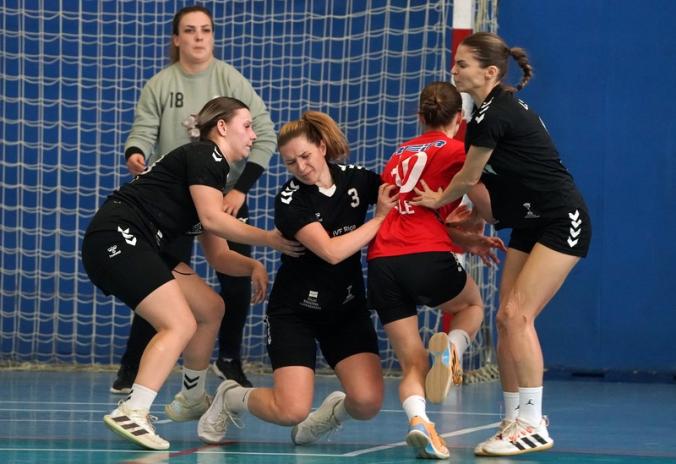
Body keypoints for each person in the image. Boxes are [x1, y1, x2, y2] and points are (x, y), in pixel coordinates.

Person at [82, 97, 303, 450]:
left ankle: (191, 397)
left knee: (210, 308)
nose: (253, 135)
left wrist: (252, 265)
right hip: (118, 235)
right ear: (221, 127)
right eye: (247, 126)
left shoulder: (211, 180)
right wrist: (269, 239)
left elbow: (219, 255)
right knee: (179, 323)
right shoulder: (205, 155)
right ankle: (132, 411)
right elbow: (214, 220)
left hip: (144, 243)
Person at [412, 32, 591, 456]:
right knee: (503, 319)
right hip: (529, 222)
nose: (454, 69)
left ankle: (533, 423)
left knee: (517, 315)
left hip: (561, 219)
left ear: (490, 72)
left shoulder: (496, 114)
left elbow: (469, 177)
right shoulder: (482, 117)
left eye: (462, 64)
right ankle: (512, 420)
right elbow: (494, 197)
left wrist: (439, 200)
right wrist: (475, 216)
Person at [196, 111, 397, 446]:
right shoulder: (290, 200)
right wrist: (378, 220)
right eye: (291, 163)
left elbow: (403, 201)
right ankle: (231, 396)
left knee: (367, 403)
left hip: (346, 308)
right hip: (296, 312)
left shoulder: (358, 179)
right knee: (291, 410)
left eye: (305, 156)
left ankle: (329, 414)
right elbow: (331, 252)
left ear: (322, 147)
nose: (301, 167)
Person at [111, 4, 276, 394]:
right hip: (174, 204)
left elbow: (265, 135)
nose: (199, 37)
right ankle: (132, 367)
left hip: (225, 196)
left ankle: (229, 360)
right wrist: (136, 152)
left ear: (213, 36)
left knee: (234, 281)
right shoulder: (160, 84)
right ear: (176, 38)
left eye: (206, 29)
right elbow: (143, 129)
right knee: (159, 280)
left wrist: (239, 190)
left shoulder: (230, 79)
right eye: (190, 30)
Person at [366, 81, 505, 460]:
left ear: (420, 116)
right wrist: (479, 222)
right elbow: (486, 203)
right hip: (426, 256)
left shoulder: (398, 154)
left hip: (381, 261)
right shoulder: (459, 151)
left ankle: (419, 422)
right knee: (472, 305)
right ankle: (453, 351)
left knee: (412, 362)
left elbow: (407, 215)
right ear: (459, 118)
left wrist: (465, 240)